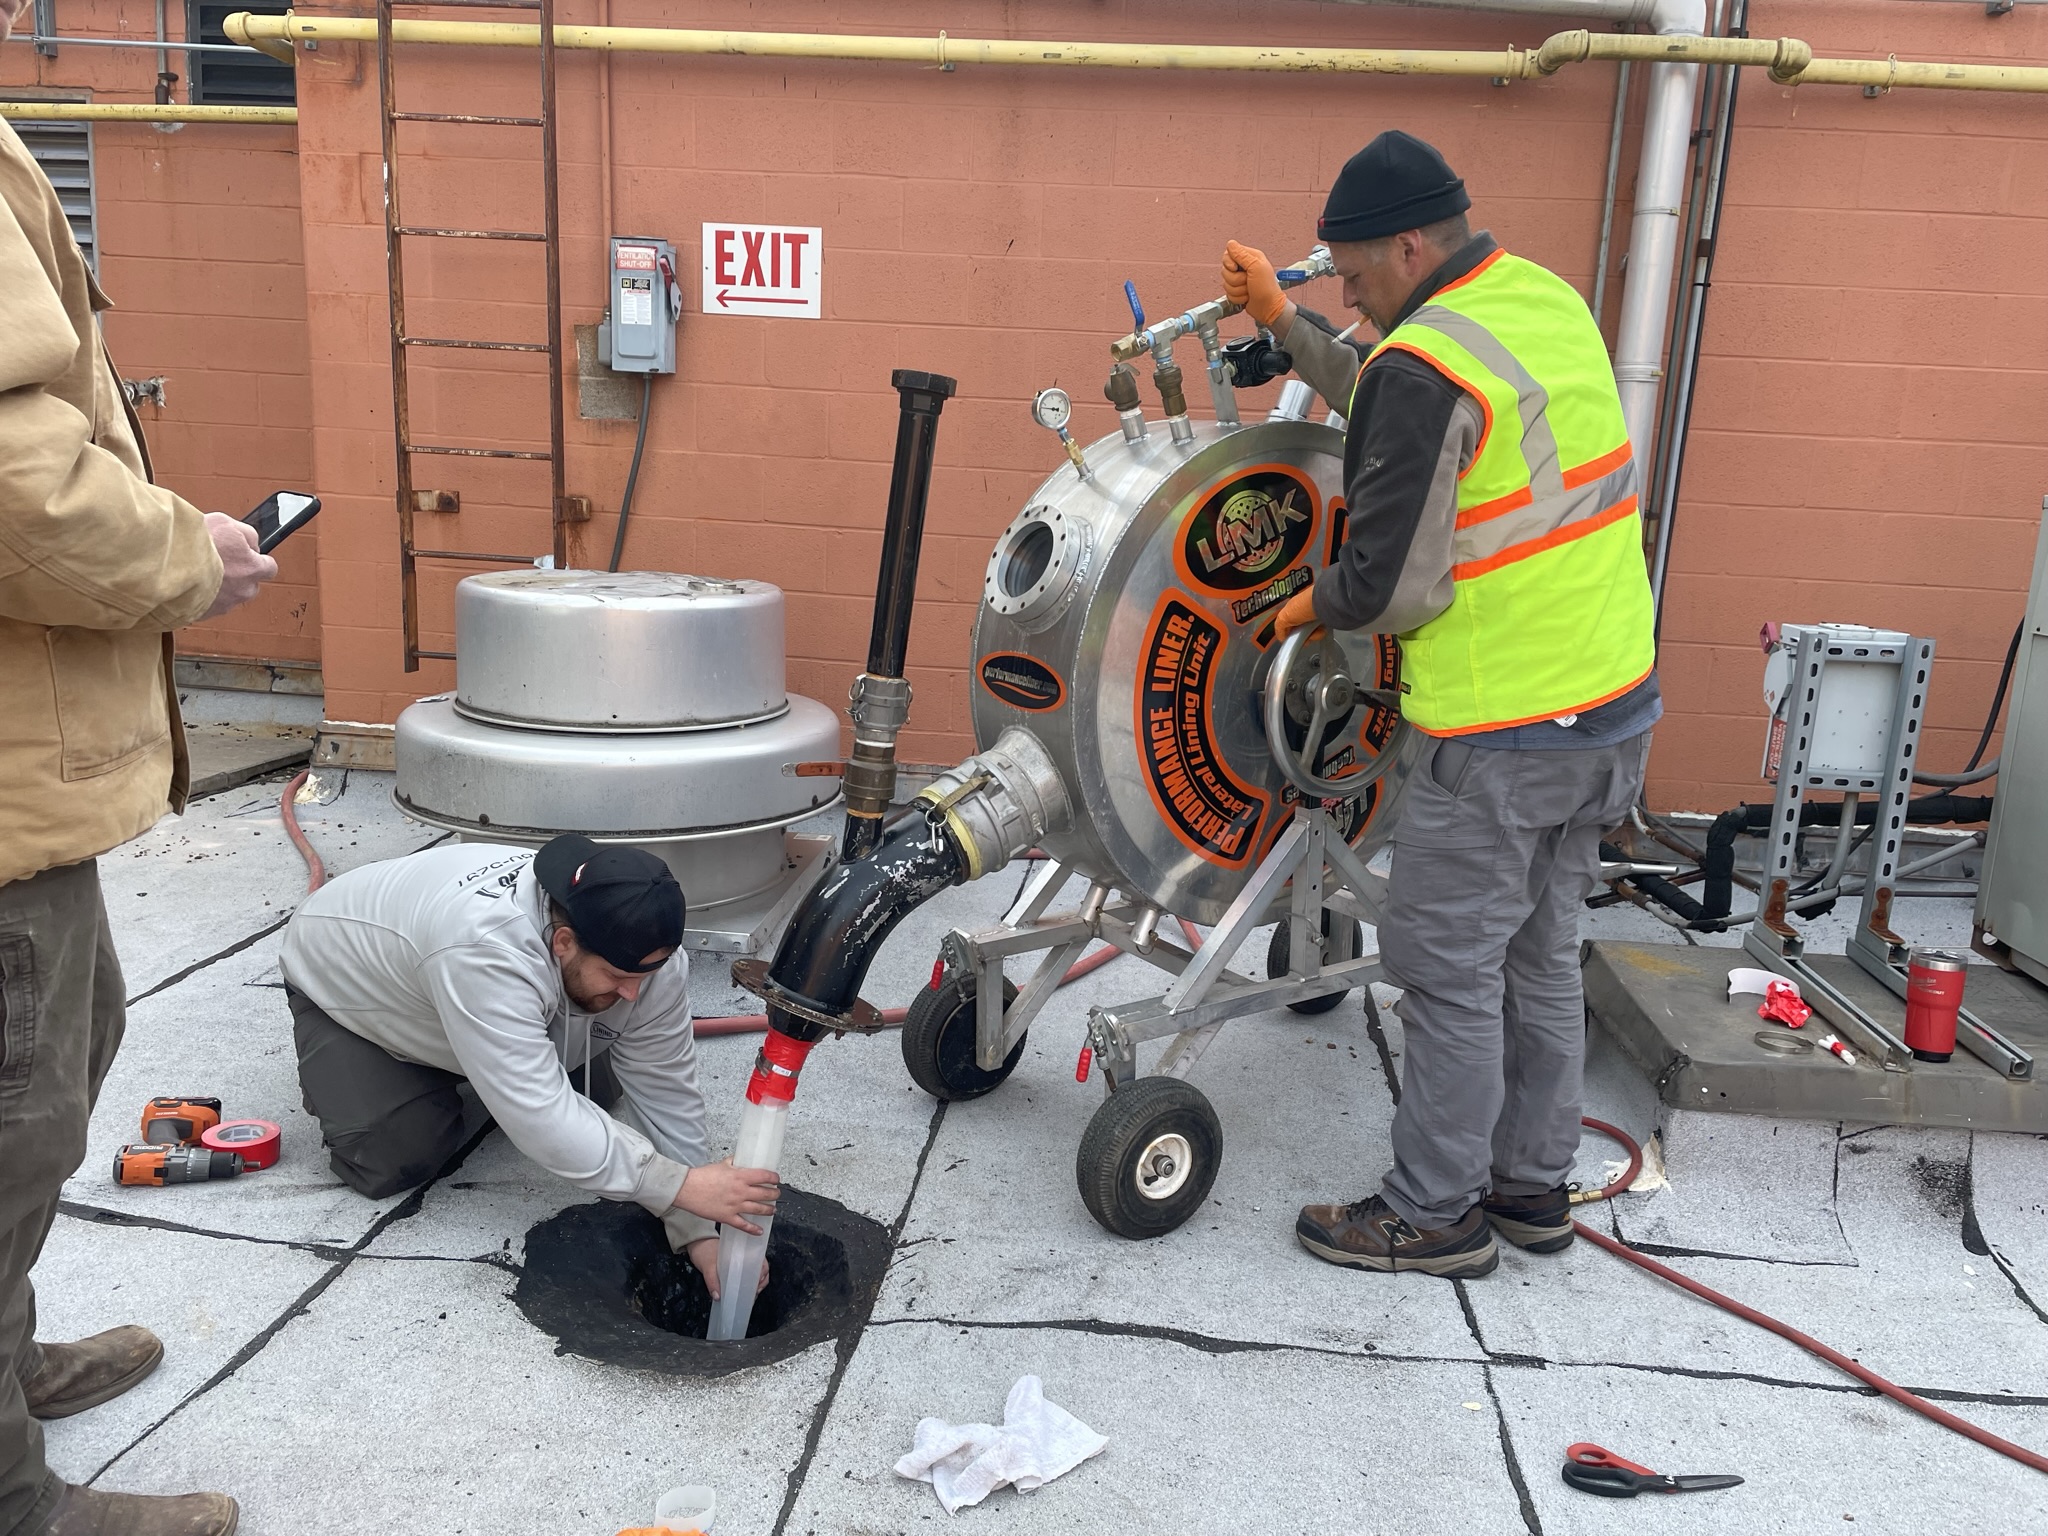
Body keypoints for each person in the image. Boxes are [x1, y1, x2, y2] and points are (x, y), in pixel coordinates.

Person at [1222, 130, 1659, 1280]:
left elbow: (1385, 587)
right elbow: (1397, 393)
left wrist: (1299, 609)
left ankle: (1432, 1215)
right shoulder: (1532, 297)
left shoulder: (1420, 364)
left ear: (1409, 244)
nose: (1352, 299)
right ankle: (1528, 1191)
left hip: (1502, 724)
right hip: (1611, 702)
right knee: (1538, 955)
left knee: (1445, 970)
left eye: (1355, 277)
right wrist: (1284, 321)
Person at [1, 0, 280, 1524]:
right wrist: (194, 559)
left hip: (32, 794)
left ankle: (8, 1355)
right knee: (10, 1121)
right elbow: (20, 491)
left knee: (65, 1060)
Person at [278, 835, 778, 1295]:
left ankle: (488, 1061)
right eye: (618, 977)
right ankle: (394, 1073)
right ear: (564, 942)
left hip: (461, 986)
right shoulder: (483, 950)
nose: (634, 994)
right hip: (360, 994)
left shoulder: (646, 964)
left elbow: (664, 1085)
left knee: (595, 1104)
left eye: (645, 978)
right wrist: (682, 1185)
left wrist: (695, 1225)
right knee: (392, 1154)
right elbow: (541, 1117)